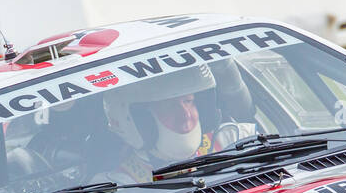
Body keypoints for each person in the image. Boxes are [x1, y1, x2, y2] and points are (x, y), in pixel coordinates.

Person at [99, 65, 254, 182]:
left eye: (189, 101)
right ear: (140, 122)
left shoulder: (236, 139)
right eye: (169, 107)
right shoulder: (119, 184)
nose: (185, 114)